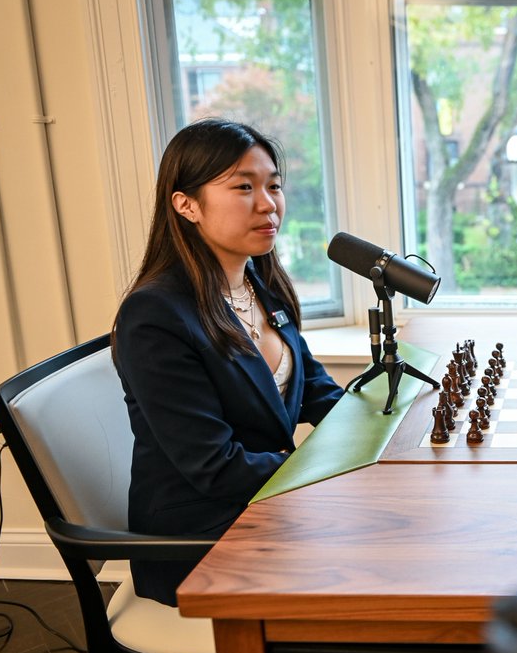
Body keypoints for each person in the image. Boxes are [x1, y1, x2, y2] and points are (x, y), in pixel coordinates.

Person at [112, 119, 344, 606]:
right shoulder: (154, 315)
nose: (268, 204)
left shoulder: (261, 282)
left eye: (274, 186)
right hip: (200, 539)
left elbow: (318, 392)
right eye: (243, 187)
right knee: (374, 560)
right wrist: (324, 469)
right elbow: (213, 466)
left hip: (263, 508)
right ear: (186, 204)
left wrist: (385, 425)